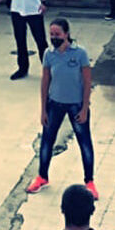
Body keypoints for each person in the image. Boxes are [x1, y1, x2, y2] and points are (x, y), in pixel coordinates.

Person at [25, 19, 97, 199]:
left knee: (84, 142)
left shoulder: (80, 53)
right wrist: (43, 109)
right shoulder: (49, 54)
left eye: (57, 34)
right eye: (51, 34)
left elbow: (87, 82)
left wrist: (84, 108)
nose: (54, 37)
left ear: (66, 34)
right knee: (47, 141)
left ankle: (89, 182)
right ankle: (42, 177)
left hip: (76, 105)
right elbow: (45, 82)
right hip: (54, 104)